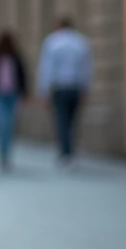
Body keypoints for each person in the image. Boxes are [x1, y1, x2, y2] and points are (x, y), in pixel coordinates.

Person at [36, 18, 93, 166]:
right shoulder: (81, 42)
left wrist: (43, 91)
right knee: (73, 120)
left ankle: (65, 151)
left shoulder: (52, 42)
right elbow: (86, 68)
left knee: (62, 120)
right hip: (75, 86)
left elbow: (47, 69)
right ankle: (70, 149)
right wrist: (86, 88)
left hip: (60, 87)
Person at [0, 31, 28, 171]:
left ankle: (6, 153)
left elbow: (22, 76)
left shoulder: (15, 58)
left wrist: (23, 93)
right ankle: (2, 153)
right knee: (3, 124)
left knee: (9, 125)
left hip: (12, 94)